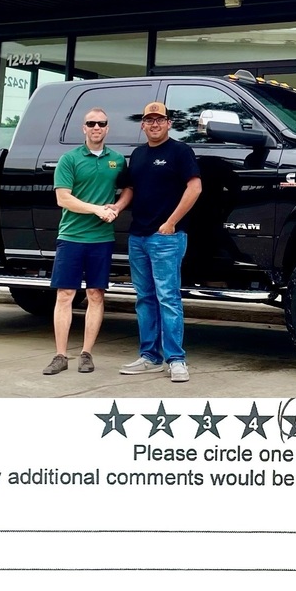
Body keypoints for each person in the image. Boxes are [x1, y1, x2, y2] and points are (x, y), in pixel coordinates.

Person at [117, 101, 202, 382]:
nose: (154, 124)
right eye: (149, 120)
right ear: (142, 125)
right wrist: (116, 208)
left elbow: (195, 187)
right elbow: (129, 189)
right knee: (145, 299)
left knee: (168, 298)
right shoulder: (138, 155)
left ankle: (176, 360)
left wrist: (171, 223)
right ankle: (149, 357)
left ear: (169, 123)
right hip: (138, 238)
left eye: (159, 119)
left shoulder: (180, 151)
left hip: (166, 237)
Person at [42, 107, 127, 376]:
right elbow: (63, 198)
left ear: (107, 128)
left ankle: (87, 354)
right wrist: (96, 209)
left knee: (95, 294)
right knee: (65, 295)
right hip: (71, 237)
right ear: (84, 128)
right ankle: (59, 355)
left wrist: (117, 207)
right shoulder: (70, 159)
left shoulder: (117, 160)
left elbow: (129, 190)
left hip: (101, 239)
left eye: (101, 123)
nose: (96, 128)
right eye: (91, 123)